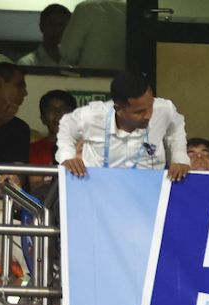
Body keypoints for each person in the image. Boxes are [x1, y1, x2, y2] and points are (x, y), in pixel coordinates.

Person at [56, 70, 189, 181]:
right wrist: (67, 157)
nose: (149, 115)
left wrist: (179, 157)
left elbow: (176, 127)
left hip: (148, 192)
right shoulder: (92, 116)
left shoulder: (164, 109)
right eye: (140, 112)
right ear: (118, 109)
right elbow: (66, 126)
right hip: (98, 191)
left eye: (150, 106)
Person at [59, 0, 125, 69]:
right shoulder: (132, 9)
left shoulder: (85, 8)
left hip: (91, 76)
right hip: (126, 78)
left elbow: (68, 53)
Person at [29, 89, 76, 167]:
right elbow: (35, 179)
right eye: (51, 109)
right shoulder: (33, 150)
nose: (57, 113)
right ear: (43, 118)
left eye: (63, 109)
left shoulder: (84, 149)